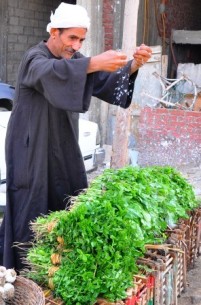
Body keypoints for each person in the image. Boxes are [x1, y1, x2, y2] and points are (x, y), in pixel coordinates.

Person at [0, 2, 152, 271]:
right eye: (72, 38)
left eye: (81, 39)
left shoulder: (74, 61)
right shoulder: (34, 58)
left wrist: (132, 66)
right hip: (30, 150)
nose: (77, 45)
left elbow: (102, 81)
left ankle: (59, 271)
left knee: (67, 197)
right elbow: (49, 72)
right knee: (30, 207)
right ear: (54, 32)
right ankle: (23, 274)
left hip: (61, 147)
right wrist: (93, 63)